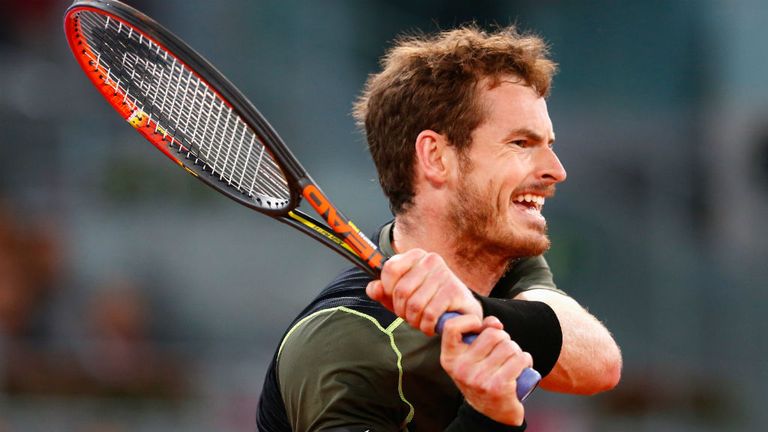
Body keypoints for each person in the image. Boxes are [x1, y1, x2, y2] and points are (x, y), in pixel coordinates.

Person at [257, 25, 622, 431]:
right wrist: (488, 418)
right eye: (521, 143)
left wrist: (474, 309)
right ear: (435, 157)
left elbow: (600, 364)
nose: (556, 170)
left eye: (548, 145)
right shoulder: (342, 346)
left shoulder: (499, 257)